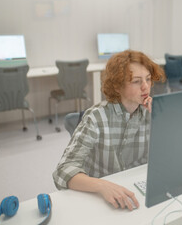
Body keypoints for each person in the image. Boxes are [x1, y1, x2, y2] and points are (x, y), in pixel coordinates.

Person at [52, 50, 165, 211]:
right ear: (117, 86)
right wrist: (101, 186)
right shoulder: (96, 117)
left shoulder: (152, 113)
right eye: (136, 81)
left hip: (138, 193)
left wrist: (162, 121)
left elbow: (170, 157)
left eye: (148, 79)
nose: (146, 86)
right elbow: (62, 171)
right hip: (99, 199)